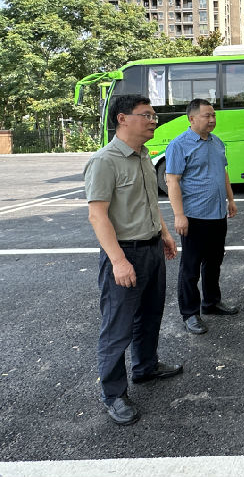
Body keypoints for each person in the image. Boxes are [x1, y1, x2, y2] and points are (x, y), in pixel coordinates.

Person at [84, 94, 183, 426]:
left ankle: (145, 367)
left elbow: (150, 203)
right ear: (122, 119)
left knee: (150, 315)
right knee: (117, 326)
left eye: (154, 115)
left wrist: (164, 233)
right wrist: (118, 261)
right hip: (125, 253)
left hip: (152, 248)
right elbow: (97, 216)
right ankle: (113, 394)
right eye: (147, 115)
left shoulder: (143, 156)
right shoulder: (104, 161)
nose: (154, 121)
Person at [165, 99, 239, 336]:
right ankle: (190, 313)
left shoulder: (217, 142)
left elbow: (223, 172)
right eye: (207, 115)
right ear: (192, 118)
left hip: (217, 214)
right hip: (194, 216)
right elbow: (172, 181)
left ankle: (211, 303)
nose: (212, 120)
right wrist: (179, 215)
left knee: (214, 262)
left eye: (213, 115)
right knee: (191, 267)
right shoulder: (179, 145)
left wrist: (231, 199)